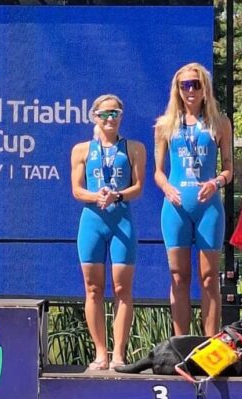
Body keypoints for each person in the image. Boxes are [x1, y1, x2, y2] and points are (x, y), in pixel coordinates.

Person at [154, 63, 233, 337]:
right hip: (176, 208)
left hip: (208, 208)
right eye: (184, 85)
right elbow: (158, 172)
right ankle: (181, 344)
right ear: (177, 89)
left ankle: (210, 343)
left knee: (209, 278)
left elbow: (228, 169)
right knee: (179, 276)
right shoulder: (165, 124)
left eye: (195, 85)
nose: (190, 90)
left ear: (205, 89)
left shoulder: (220, 123)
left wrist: (215, 182)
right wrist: (167, 187)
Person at [71, 94, 146, 370]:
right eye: (104, 114)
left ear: (121, 116)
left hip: (121, 221)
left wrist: (117, 195)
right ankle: (100, 353)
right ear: (95, 117)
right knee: (93, 289)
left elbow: (138, 187)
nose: (109, 118)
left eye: (114, 113)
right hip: (92, 221)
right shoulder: (81, 150)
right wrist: (97, 196)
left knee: (122, 289)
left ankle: (119, 354)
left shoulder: (134, 148)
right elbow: (77, 189)